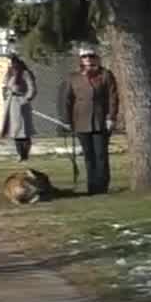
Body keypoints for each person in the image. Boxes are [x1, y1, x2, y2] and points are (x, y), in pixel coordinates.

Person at [61, 46, 120, 194]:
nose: (88, 59)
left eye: (91, 56)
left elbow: (113, 97)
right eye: (85, 57)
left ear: (96, 58)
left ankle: (102, 186)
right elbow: (66, 100)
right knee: (88, 156)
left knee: (101, 155)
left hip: (101, 120)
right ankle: (92, 187)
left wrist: (111, 117)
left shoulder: (105, 75)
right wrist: (66, 120)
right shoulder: (73, 77)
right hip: (81, 121)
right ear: (80, 59)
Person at [0, 53, 36, 162]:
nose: (9, 65)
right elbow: (5, 86)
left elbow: (32, 88)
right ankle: (19, 154)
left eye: (10, 62)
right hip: (11, 103)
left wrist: (26, 99)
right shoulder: (9, 74)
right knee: (14, 131)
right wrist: (5, 97)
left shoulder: (25, 74)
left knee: (23, 130)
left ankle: (25, 153)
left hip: (22, 103)